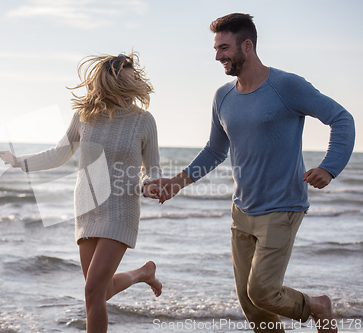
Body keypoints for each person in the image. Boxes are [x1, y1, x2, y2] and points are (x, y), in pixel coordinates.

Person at [148, 13, 355, 333]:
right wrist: (178, 182)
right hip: (241, 210)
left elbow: (341, 118)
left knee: (263, 292)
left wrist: (329, 167)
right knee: (251, 304)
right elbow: (216, 150)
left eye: (224, 48)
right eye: (216, 49)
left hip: (282, 206)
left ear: (248, 45)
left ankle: (317, 305)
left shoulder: (287, 85)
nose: (218, 56)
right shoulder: (223, 97)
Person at [0, 52, 163, 333]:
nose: (132, 93)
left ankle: (141, 274)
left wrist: (151, 184)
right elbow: (59, 154)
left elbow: (153, 168)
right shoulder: (85, 117)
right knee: (101, 291)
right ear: (110, 86)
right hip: (86, 209)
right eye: (126, 86)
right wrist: (18, 161)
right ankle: (142, 273)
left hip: (121, 210)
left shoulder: (144, 121)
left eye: (134, 83)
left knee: (92, 293)